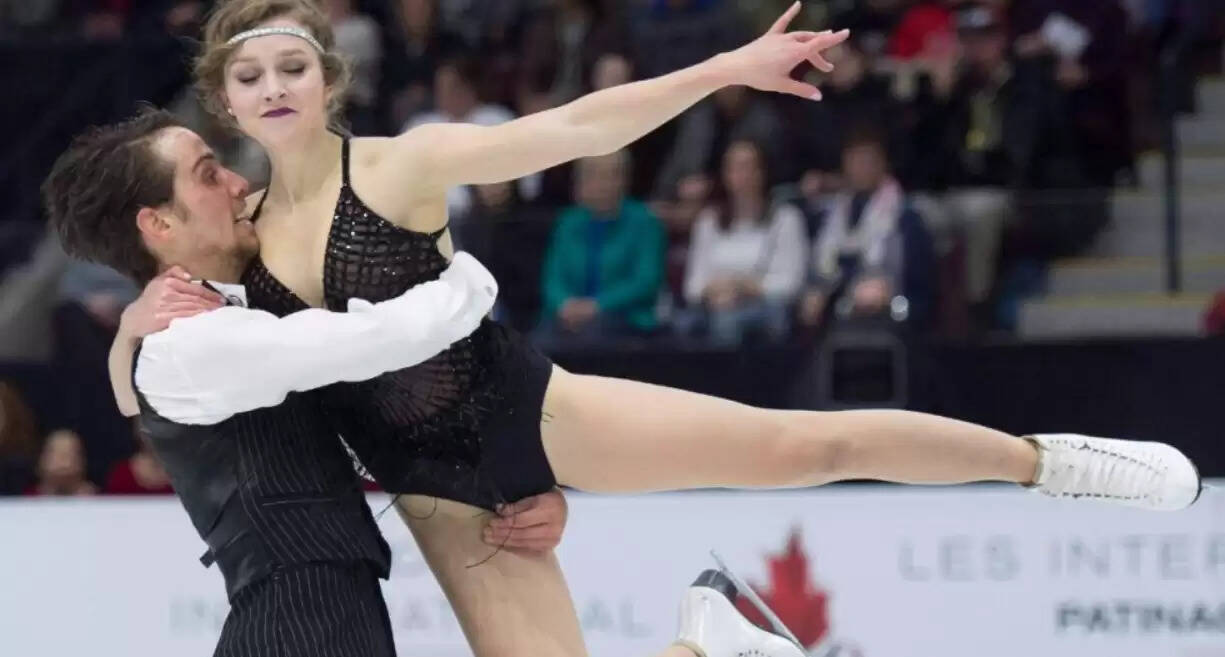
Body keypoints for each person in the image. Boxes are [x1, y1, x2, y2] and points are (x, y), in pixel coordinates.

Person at [111, 2, 1201, 657]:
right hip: (442, 497)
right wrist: (125, 336)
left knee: (806, 445)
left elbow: (579, 127)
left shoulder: (405, 162)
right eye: (249, 77)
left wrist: (726, 70)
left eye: (292, 67)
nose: (274, 86)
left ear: (327, 79)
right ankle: (713, 639)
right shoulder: (240, 238)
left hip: (531, 411)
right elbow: (184, 380)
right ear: (226, 102)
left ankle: (1049, 462)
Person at [42, 111, 571, 657]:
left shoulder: (223, 323)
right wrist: (466, 276)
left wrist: (512, 485)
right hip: (299, 624)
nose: (239, 184)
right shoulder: (191, 342)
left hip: (319, 620)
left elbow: (367, 424)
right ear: (158, 225)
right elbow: (381, 338)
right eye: (208, 175)